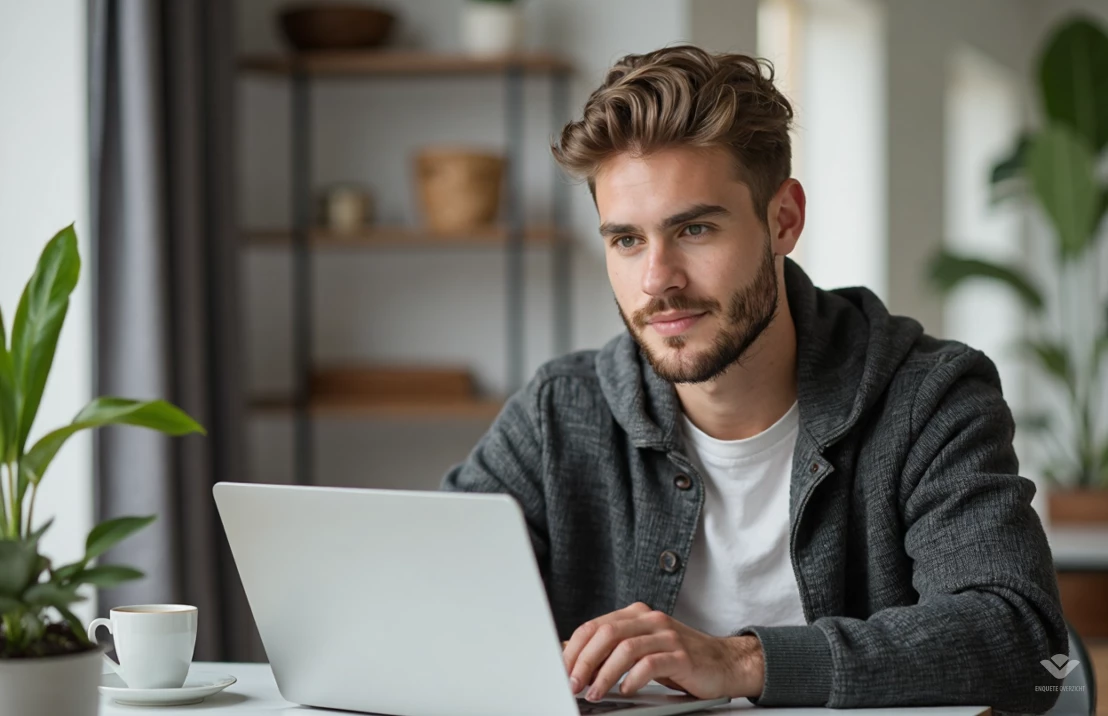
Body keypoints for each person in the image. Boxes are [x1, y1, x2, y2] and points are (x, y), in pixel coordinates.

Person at [440, 45, 1066, 714]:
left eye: (696, 229)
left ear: (783, 221)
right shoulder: (560, 413)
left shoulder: (928, 399)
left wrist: (740, 660)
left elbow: (1020, 642)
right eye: (626, 240)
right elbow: (423, 590)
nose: (658, 281)